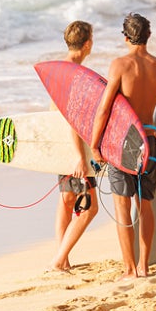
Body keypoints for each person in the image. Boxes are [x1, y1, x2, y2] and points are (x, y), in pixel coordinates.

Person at [91, 13, 156, 279]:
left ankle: (129, 269)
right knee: (145, 206)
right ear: (148, 36)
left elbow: (103, 109)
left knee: (122, 207)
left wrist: (94, 144)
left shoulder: (119, 65)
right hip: (149, 141)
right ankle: (144, 266)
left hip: (122, 141)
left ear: (125, 37)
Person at [49, 20, 98, 272]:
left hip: (61, 145)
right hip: (74, 148)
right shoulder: (75, 76)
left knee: (66, 200)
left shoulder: (58, 70)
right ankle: (60, 260)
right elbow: (72, 120)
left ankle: (63, 260)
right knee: (90, 207)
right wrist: (81, 156)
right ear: (87, 43)